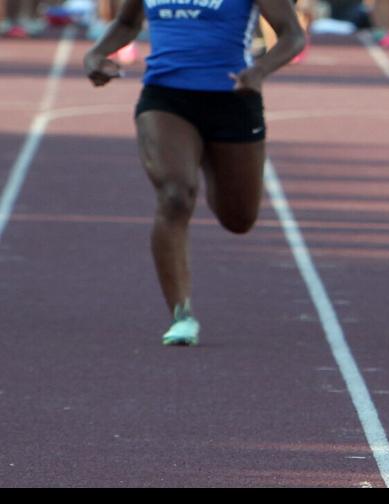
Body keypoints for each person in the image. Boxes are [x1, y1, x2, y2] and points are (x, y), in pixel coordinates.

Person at [85, 0, 305, 347]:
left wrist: (259, 70)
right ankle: (181, 314)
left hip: (234, 96)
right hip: (165, 97)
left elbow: (292, 34)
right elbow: (127, 22)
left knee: (239, 218)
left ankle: (204, 156)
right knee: (175, 195)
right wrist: (97, 54)